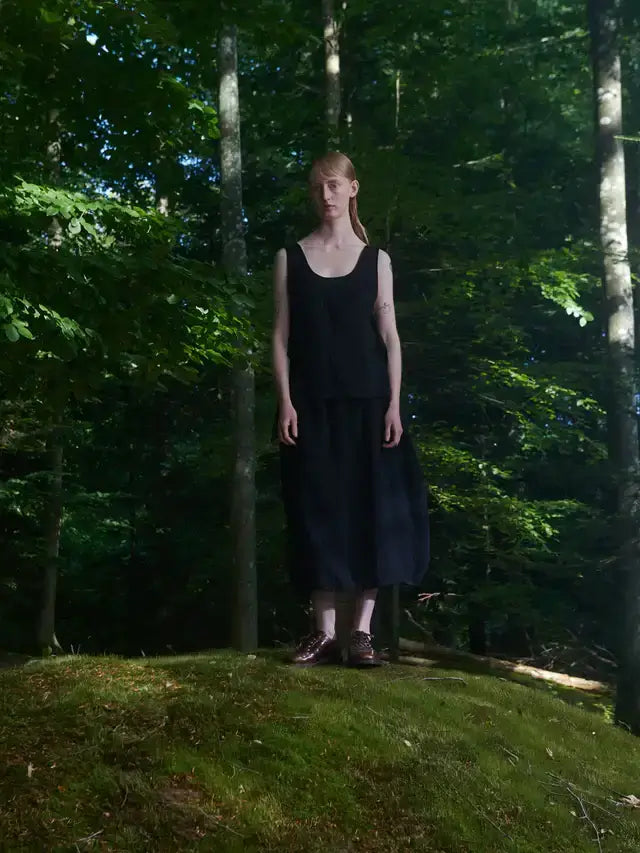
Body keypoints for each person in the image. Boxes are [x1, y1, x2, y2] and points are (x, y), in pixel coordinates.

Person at [271, 151, 429, 668]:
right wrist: (285, 400)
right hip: (310, 405)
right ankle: (321, 633)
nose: (326, 195)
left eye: (335, 185)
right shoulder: (290, 258)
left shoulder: (376, 260)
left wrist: (395, 404)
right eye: (318, 187)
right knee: (316, 510)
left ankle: (360, 634)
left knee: (370, 510)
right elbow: (280, 336)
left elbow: (391, 336)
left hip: (370, 403)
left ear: (352, 188)